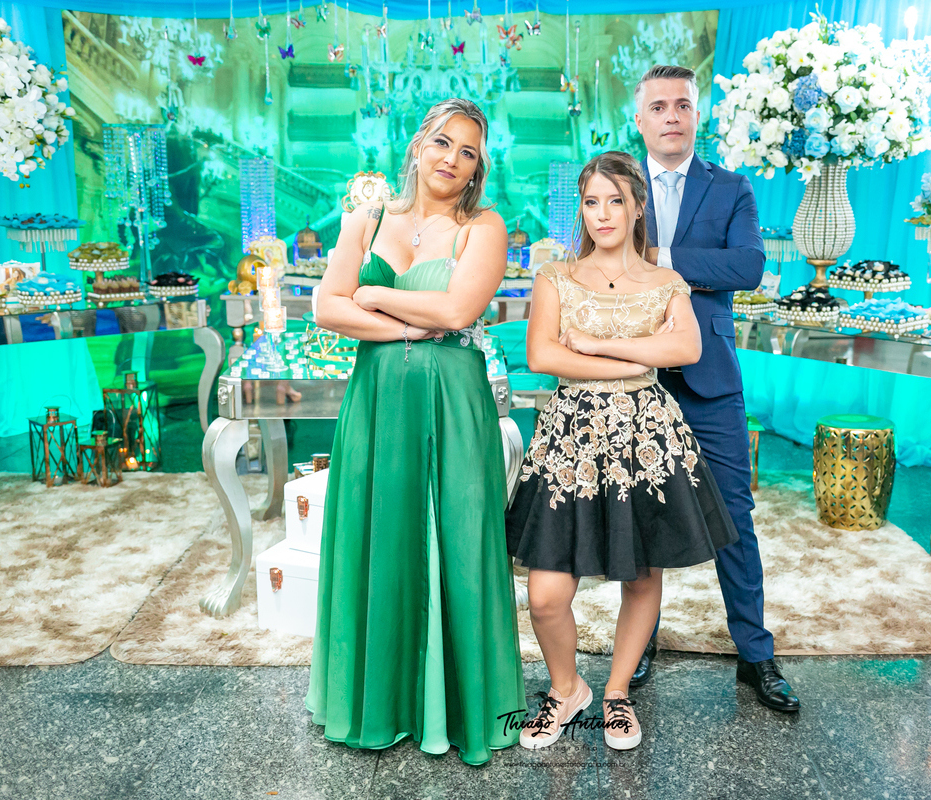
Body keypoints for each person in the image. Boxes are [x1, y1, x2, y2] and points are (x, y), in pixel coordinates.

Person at [306, 98, 525, 766]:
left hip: (452, 405)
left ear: (478, 168)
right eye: (441, 143)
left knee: (456, 538)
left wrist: (373, 297)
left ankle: (459, 709)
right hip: (377, 402)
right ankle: (384, 703)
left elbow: (457, 310)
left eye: (468, 152)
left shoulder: (484, 226)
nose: (452, 159)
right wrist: (407, 324)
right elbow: (326, 307)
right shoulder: (367, 219)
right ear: (417, 147)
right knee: (381, 538)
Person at [506, 151, 739, 751]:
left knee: (641, 574)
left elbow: (687, 349)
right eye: (591, 202)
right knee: (545, 595)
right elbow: (543, 356)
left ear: (638, 208)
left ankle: (615, 693)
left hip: (646, 440)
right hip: (571, 441)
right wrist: (635, 360)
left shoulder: (665, 281)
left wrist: (592, 344)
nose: (603, 214)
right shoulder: (556, 276)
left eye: (616, 201)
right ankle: (567, 689)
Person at [631, 64, 800, 712]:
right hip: (634, 376)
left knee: (733, 514)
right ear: (640, 119)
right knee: (641, 513)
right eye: (659, 106)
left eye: (682, 105)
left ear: (697, 116)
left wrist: (659, 260)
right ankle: (638, 642)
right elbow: (593, 261)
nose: (671, 116)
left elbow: (748, 266)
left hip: (711, 378)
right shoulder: (618, 185)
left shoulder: (731, 188)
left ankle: (755, 654)